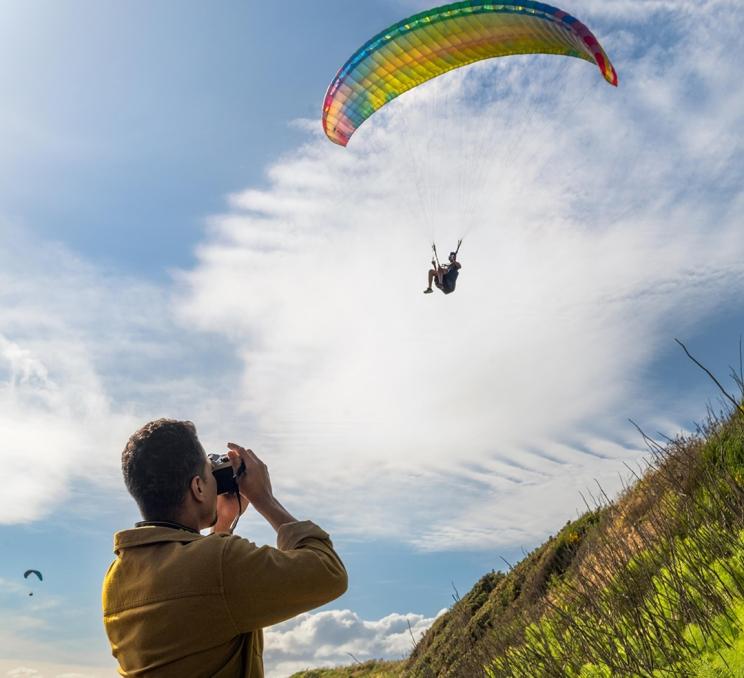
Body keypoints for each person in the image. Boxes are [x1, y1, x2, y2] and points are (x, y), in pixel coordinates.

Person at [102, 419, 348, 677]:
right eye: (210, 472)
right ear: (198, 487)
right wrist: (265, 498)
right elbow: (328, 571)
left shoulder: (117, 576)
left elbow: (198, 622)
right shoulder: (220, 563)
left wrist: (221, 524)